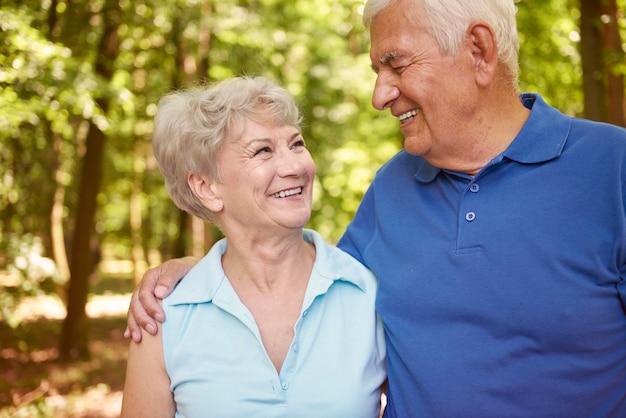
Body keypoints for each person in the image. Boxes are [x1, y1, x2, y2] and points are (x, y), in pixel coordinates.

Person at [126, 0, 626, 416]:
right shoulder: (393, 188)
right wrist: (193, 274)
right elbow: (302, 280)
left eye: (396, 64)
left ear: (478, 50)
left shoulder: (612, 169)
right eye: (377, 70)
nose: (379, 94)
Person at [120, 76, 386, 418]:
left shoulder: (367, 293)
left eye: (297, 144)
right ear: (206, 187)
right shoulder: (164, 315)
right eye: (263, 151)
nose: (295, 166)